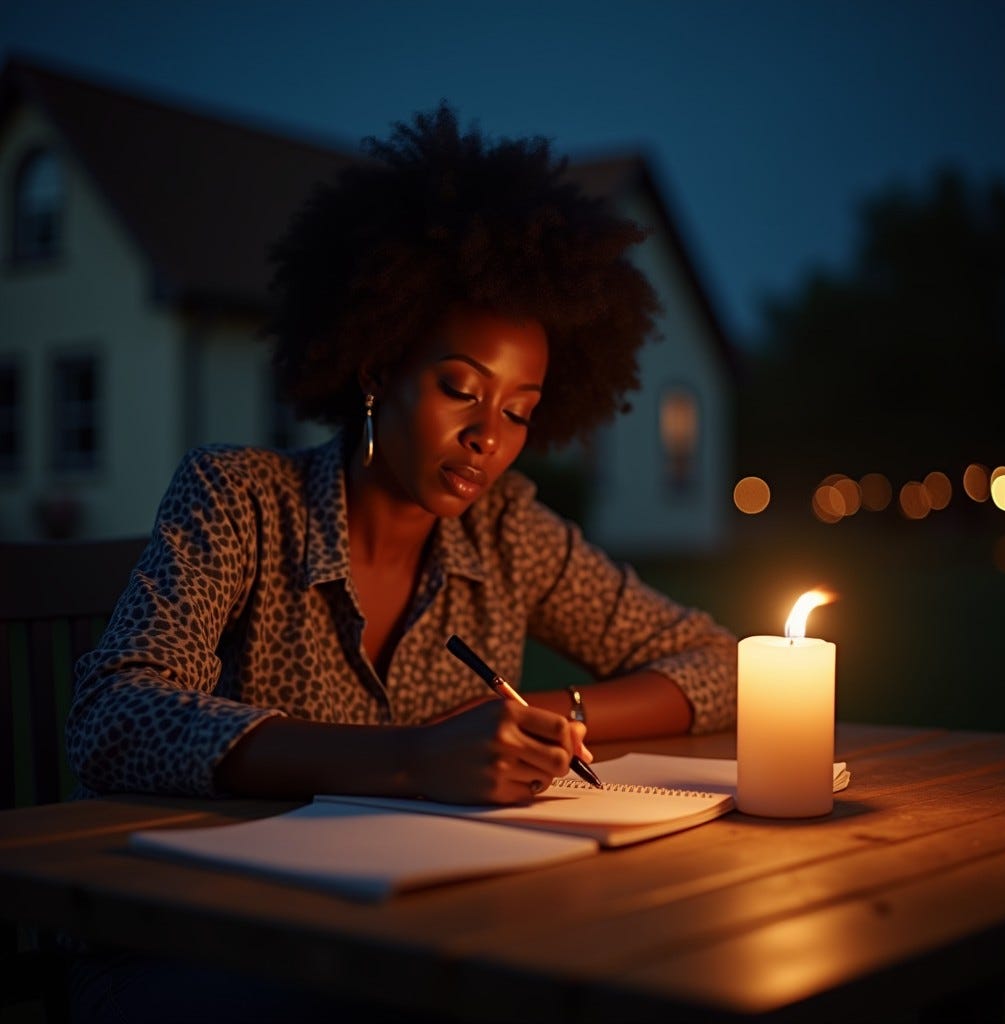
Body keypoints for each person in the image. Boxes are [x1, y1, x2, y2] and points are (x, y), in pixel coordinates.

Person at [65, 104, 736, 1022]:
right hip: (199, 936)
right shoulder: (240, 499)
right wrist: (413, 758)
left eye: (519, 411)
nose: (488, 438)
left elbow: (721, 662)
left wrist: (549, 714)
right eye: (461, 389)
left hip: (404, 938)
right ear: (378, 369)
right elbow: (112, 716)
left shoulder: (506, 533)